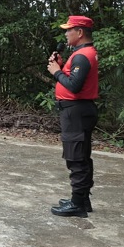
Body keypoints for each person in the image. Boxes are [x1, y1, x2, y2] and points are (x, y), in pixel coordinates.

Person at [47, 15, 99, 218]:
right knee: (82, 156)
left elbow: (74, 87)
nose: (66, 33)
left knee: (76, 157)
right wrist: (61, 67)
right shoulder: (83, 53)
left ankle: (77, 204)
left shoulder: (82, 56)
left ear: (79, 32)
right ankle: (82, 199)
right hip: (80, 110)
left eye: (69, 30)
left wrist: (56, 71)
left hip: (76, 111)